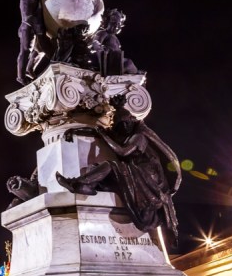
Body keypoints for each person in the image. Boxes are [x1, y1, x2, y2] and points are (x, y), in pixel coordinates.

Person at [55, 101, 181, 243]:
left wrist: (103, 135)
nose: (124, 126)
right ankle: (83, 185)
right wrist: (75, 131)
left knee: (110, 166)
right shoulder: (124, 135)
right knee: (108, 169)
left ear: (132, 121)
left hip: (147, 178)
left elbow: (123, 151)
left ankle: (80, 184)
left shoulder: (139, 137)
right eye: (121, 124)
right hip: (136, 174)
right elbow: (98, 131)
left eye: (126, 123)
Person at [10, 0, 69, 84]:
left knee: (41, 49)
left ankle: (29, 69)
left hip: (36, 27)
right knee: (26, 51)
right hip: (28, 27)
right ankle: (21, 77)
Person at [90, 8, 138, 75]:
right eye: (113, 22)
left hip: (117, 60)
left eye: (118, 24)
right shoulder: (103, 33)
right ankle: (116, 74)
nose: (116, 26)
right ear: (107, 22)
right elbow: (95, 45)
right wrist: (102, 54)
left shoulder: (116, 38)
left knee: (129, 63)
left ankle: (128, 75)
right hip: (109, 61)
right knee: (128, 63)